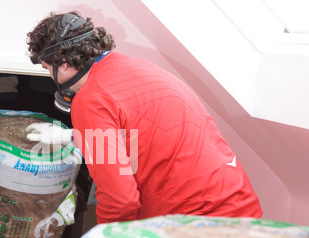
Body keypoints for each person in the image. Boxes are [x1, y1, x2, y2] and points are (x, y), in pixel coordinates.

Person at [25, 11, 263, 224]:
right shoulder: (132, 67)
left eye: (47, 68)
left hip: (199, 225)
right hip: (239, 208)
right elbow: (137, 135)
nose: (49, 75)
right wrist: (71, 136)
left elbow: (120, 200)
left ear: (63, 63)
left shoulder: (90, 100)